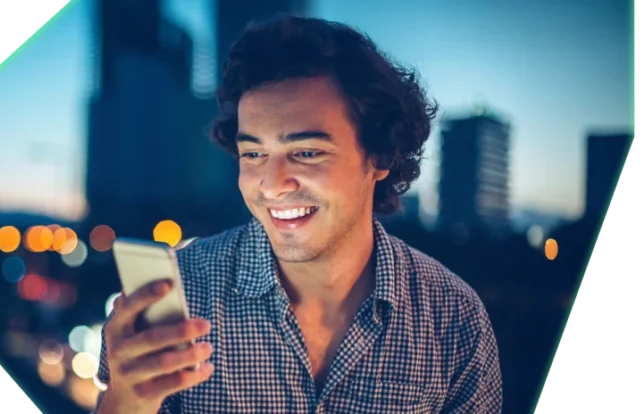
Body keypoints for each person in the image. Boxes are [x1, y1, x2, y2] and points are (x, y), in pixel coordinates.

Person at [94, 15, 502, 414]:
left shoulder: (452, 316)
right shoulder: (181, 294)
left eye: (306, 153)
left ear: (378, 156)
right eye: (254, 154)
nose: (271, 184)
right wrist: (123, 405)